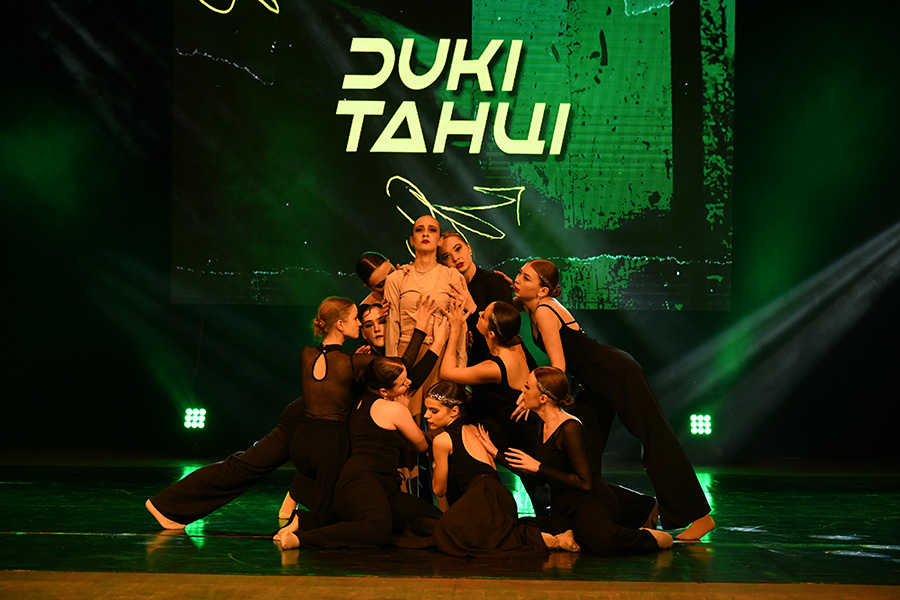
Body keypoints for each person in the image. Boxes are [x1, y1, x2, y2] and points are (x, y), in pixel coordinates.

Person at [512, 259, 715, 540]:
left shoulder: (545, 311)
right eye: (519, 274)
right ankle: (626, 512)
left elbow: (558, 367)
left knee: (653, 436)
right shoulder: (532, 306)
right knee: (583, 453)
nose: (517, 279)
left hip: (613, 372)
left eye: (525, 277)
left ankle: (700, 516)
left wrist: (532, 395)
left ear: (543, 290)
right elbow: (509, 297)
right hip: (590, 383)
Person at [478, 367, 673, 555]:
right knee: (522, 527)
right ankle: (568, 535)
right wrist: (496, 454)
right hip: (563, 507)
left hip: (589, 502)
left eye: (527, 387)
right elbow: (539, 477)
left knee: (602, 542)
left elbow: (584, 482)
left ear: (543, 398)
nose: (522, 391)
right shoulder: (541, 424)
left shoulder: (570, 428)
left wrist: (540, 467)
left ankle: (653, 538)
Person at [274, 357, 442, 550]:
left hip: (382, 487)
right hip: (362, 481)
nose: (409, 383)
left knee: (432, 518)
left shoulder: (362, 401)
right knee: (377, 529)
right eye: (403, 382)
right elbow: (421, 445)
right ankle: (302, 539)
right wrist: (404, 409)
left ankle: (305, 521)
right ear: (384, 391)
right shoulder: (394, 409)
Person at [423, 381, 573, 557]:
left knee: (445, 533)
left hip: (482, 497)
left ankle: (549, 540)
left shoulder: (442, 440)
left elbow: (439, 490)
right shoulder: (474, 429)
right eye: (426, 410)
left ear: (454, 411)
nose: (426, 415)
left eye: (434, 411)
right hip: (502, 498)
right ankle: (551, 538)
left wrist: (435, 462)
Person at [432, 298, 548, 515]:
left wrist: (455, 329)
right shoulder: (514, 341)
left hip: (515, 432)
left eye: (483, 315)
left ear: (492, 333)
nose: (479, 313)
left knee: (540, 489)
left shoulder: (495, 367)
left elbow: (446, 373)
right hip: (512, 425)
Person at [383, 215, 471, 422]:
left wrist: (460, 370)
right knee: (406, 419)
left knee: (441, 421)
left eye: (432, 230)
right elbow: (392, 326)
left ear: (440, 240)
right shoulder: (397, 278)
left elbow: (459, 325)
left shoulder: (453, 277)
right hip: (407, 355)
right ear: (412, 240)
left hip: (441, 356)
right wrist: (391, 373)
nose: (425, 234)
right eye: (419, 229)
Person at [437, 231, 514, 365]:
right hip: (474, 367)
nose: (455, 258)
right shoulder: (447, 294)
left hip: (507, 365)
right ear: (441, 264)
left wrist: (472, 308)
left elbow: (508, 335)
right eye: (446, 256)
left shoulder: (495, 281)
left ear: (469, 248)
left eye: (458, 249)